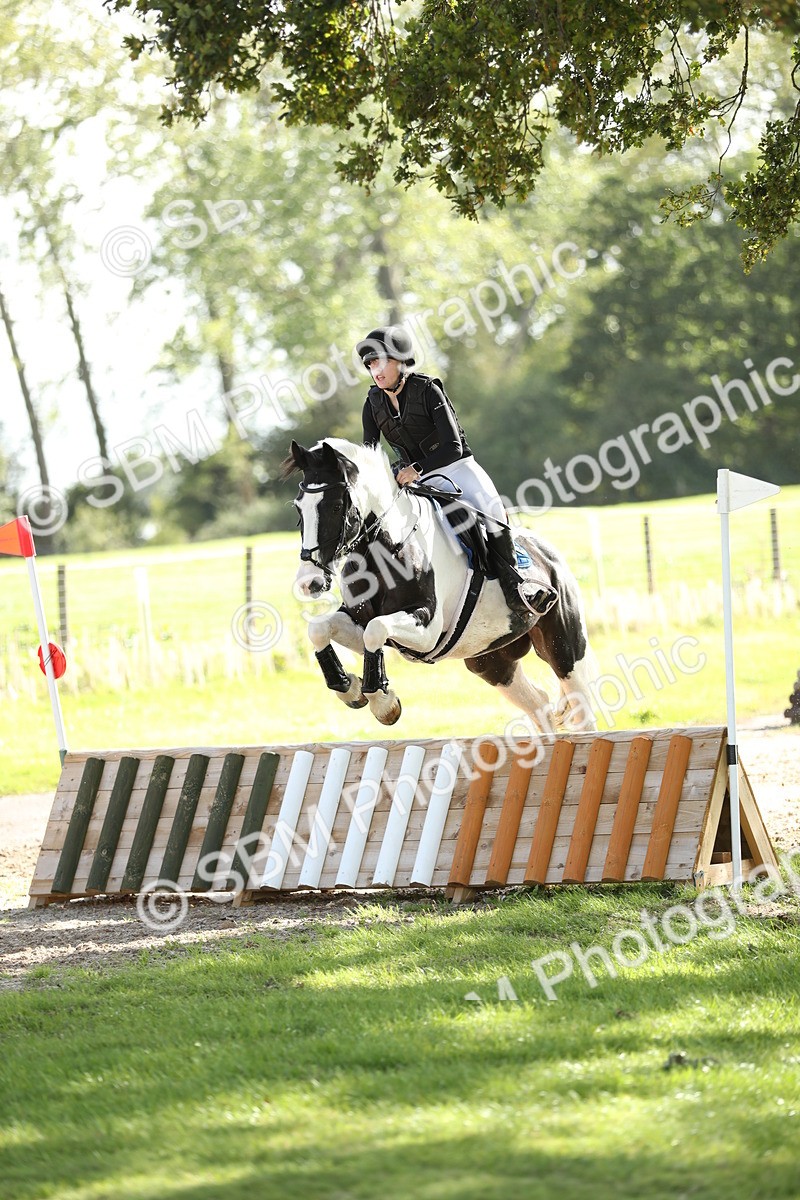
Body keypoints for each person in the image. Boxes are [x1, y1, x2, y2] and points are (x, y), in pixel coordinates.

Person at [356, 325, 555, 616]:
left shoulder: (428, 390)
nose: (376, 370)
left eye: (381, 361)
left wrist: (417, 467)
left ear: (399, 361)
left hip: (456, 468)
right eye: (371, 364)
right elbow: (370, 453)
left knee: (493, 510)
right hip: (415, 481)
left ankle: (514, 585)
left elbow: (453, 447)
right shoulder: (373, 402)